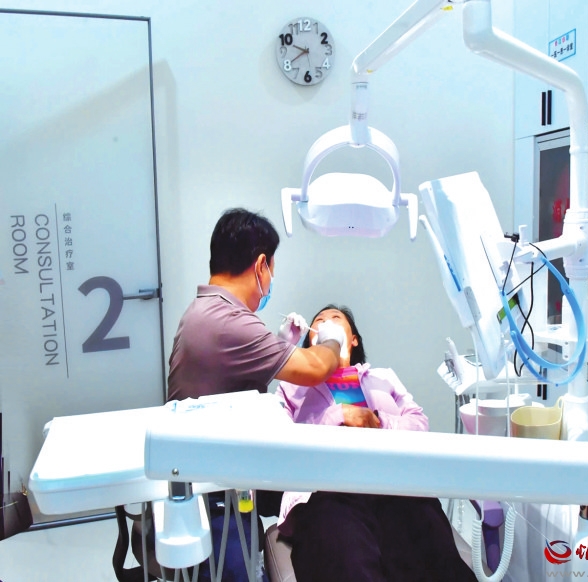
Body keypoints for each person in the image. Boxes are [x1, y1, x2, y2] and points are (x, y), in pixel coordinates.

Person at [166, 208, 347, 582]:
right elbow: (315, 368)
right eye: (272, 271)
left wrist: (281, 346)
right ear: (261, 265)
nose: (271, 281)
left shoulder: (204, 311)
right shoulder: (229, 323)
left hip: (213, 478)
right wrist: (332, 340)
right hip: (215, 495)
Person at [275, 305, 478, 582]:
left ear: (353, 339)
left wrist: (379, 421)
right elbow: (281, 440)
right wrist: (338, 415)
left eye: (336, 319)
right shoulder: (292, 388)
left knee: (427, 535)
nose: (326, 324)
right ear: (311, 339)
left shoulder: (383, 378)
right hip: (328, 492)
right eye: (319, 322)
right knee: (346, 552)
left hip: (393, 486)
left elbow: (419, 424)